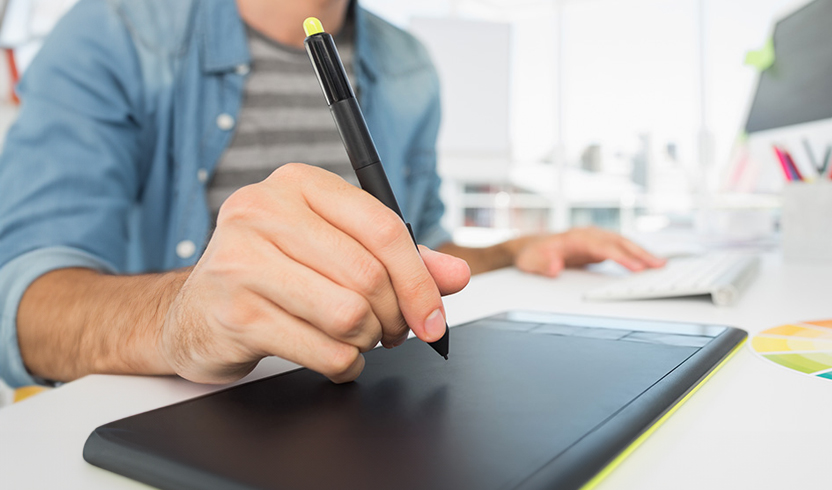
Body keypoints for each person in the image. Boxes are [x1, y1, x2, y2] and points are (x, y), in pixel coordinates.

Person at [0, 0, 664, 389]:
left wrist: (518, 247)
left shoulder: (407, 63)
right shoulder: (114, 27)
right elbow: (23, 302)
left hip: (378, 409)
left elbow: (418, 248)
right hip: (192, 414)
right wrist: (181, 317)